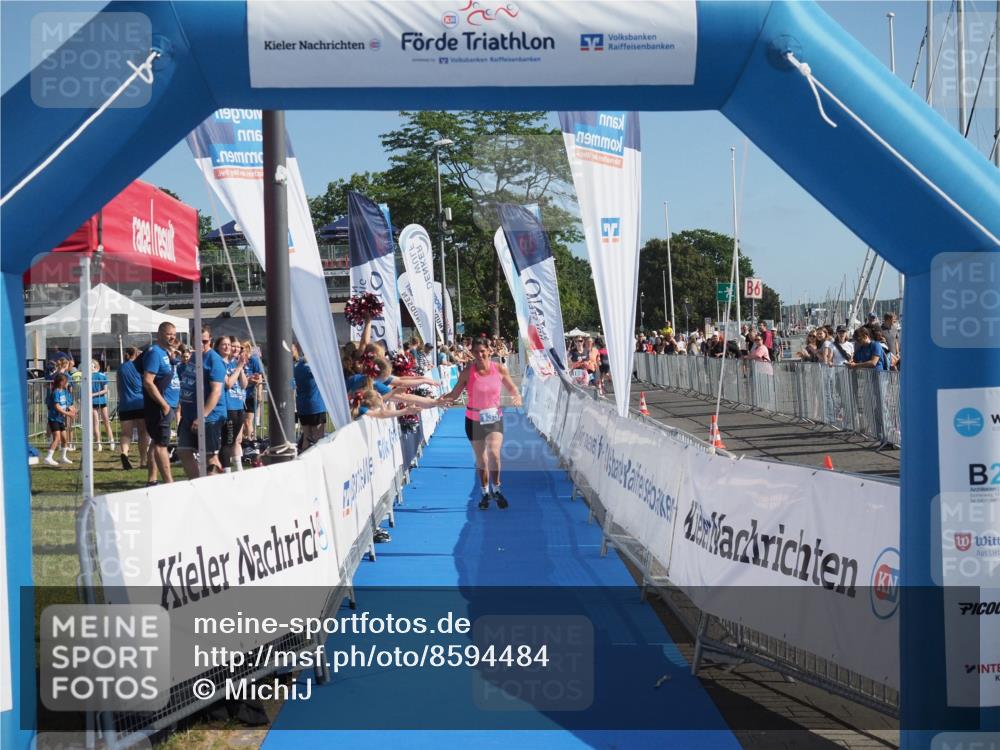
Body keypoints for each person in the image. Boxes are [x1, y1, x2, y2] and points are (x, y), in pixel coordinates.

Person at [438, 339, 522, 510]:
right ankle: (484, 492)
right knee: (481, 459)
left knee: (494, 454)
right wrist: (436, 401)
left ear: (489, 351)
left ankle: (496, 488)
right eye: (476, 352)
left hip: (493, 418)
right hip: (473, 419)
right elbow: (454, 394)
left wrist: (517, 396)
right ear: (472, 353)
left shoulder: (499, 369)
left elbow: (512, 388)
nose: (480, 355)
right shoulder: (468, 372)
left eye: (483, 351)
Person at [177, 326, 227, 478]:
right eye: (198, 341)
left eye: (205, 341)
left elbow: (216, 391)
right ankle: (197, 483)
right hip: (189, 415)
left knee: (210, 457)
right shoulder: (193, 357)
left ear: (210, 340)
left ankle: (216, 489)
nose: (202, 344)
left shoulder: (214, 360)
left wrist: (203, 415)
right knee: (184, 451)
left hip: (209, 417)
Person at [142, 322, 180, 485]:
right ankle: (169, 482)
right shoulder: (154, 353)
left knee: (156, 442)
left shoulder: (165, 352)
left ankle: (152, 480)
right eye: (169, 334)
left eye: (174, 334)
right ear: (159, 334)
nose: (173, 337)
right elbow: (148, 381)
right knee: (161, 444)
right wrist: (164, 405)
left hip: (169, 404)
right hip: (160, 407)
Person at [217, 336, 248, 471]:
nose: (231, 348)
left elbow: (244, 384)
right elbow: (228, 384)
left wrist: (240, 367)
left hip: (239, 406)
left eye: (234, 346)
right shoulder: (221, 363)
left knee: (237, 440)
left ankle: (239, 469)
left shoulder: (234, 364)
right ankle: (226, 471)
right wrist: (239, 366)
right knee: (227, 442)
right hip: (229, 407)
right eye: (229, 345)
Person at [117, 347, 148, 471]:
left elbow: (119, 388)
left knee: (126, 433)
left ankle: (124, 453)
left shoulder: (120, 368)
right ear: (135, 354)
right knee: (142, 433)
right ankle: (143, 460)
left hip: (125, 404)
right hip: (140, 403)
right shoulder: (140, 367)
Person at [293, 343, 328, 450]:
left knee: (306, 437)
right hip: (316, 406)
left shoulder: (297, 367)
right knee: (318, 439)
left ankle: (303, 461)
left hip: (302, 407)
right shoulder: (313, 369)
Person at [44, 373, 76, 466]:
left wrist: (73, 411)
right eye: (67, 381)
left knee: (64, 439)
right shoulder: (55, 393)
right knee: (57, 438)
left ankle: (63, 457)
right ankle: (48, 458)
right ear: (62, 382)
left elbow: (70, 404)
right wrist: (68, 413)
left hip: (60, 419)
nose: (68, 383)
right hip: (54, 418)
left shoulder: (66, 392)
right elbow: (57, 406)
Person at [242, 341, 264, 443]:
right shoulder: (239, 361)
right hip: (240, 395)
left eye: (243, 349)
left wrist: (259, 394)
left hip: (250, 395)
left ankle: (251, 442)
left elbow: (259, 378)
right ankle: (244, 441)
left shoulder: (253, 360)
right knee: (241, 422)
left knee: (248, 421)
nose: (241, 352)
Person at [90, 359, 114, 452]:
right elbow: (105, 390)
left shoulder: (101, 376)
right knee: (97, 423)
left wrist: (93, 394)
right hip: (94, 402)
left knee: (105, 422)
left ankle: (111, 441)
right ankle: (99, 443)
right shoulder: (89, 377)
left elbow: (105, 390)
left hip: (101, 401)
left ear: (95, 367)